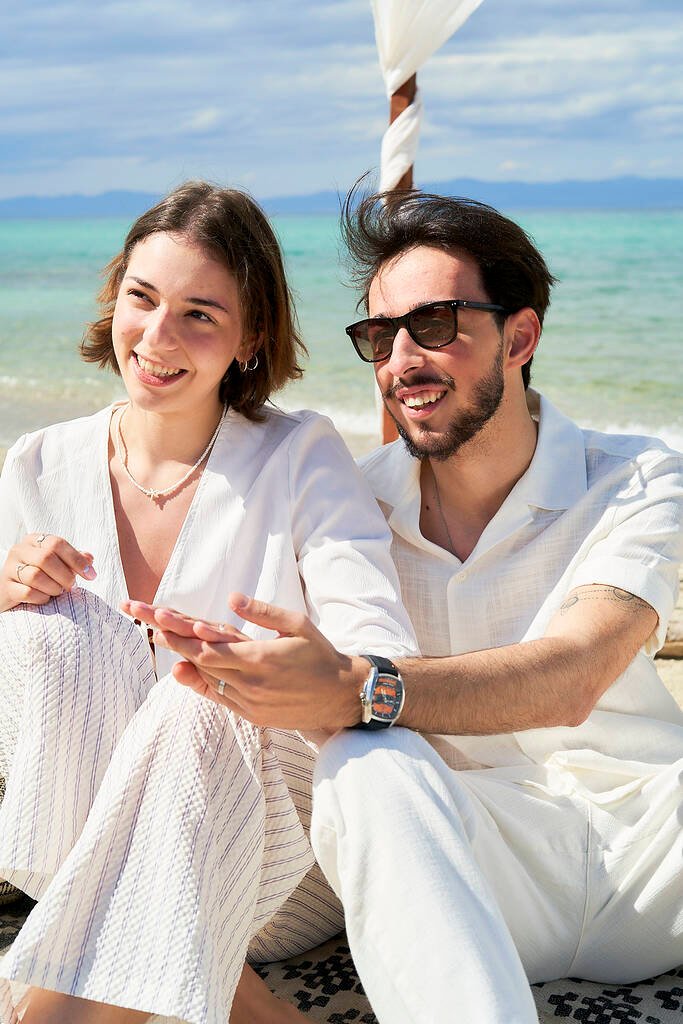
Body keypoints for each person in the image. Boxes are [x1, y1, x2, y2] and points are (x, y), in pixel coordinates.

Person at [133, 189, 683, 1024]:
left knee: (363, 718)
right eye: (378, 336)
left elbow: (575, 670)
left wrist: (364, 687)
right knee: (366, 766)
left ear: (519, 336)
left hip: (655, 846)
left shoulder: (637, 477)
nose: (400, 360)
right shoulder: (350, 508)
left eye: (434, 325)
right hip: (469, 868)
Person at [0, 181, 417, 1024]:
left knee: (198, 702)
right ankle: (234, 1002)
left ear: (252, 336)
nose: (157, 338)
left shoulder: (299, 454)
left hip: (270, 863)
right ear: (115, 294)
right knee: (49, 634)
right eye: (142, 299)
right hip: (79, 853)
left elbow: (380, 640)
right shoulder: (39, 464)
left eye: (200, 314)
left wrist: (277, 666)